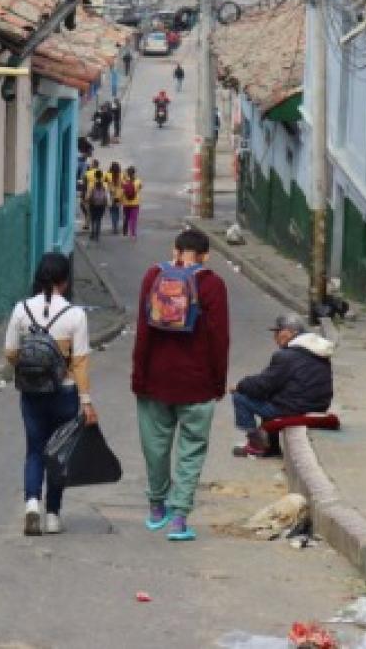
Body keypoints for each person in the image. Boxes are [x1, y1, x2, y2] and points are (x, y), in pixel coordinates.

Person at [131, 229, 230, 542]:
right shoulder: (212, 285)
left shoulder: (153, 277)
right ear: (205, 255)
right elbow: (219, 340)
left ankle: (156, 507)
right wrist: (218, 382)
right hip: (197, 383)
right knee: (192, 450)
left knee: (155, 446)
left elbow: (143, 333)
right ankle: (179, 518)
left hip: (156, 381)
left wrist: (139, 376)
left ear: (175, 249)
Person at [5, 252, 95, 536]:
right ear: (65, 281)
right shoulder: (75, 315)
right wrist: (87, 401)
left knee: (34, 450)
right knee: (59, 453)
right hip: (64, 393)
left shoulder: (21, 310)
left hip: (32, 393)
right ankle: (53, 515)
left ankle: (32, 503)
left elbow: (10, 352)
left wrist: (31, 366)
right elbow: (80, 363)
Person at [231, 314, 334, 457]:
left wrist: (240, 385)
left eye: (277, 332)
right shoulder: (316, 350)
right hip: (319, 404)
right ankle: (270, 445)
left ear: (289, 332)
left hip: (295, 408)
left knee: (241, 397)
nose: (275, 337)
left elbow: (263, 385)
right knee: (273, 396)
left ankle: (256, 444)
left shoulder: (286, 356)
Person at [87, 169, 109, 241]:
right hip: (101, 204)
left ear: (95, 175)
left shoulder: (91, 184)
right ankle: (97, 234)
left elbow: (88, 195)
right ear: (102, 176)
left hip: (93, 204)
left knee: (93, 219)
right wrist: (106, 203)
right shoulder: (105, 184)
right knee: (98, 219)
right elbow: (106, 195)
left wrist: (87, 201)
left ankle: (92, 232)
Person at [120, 166, 142, 238]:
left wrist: (120, 200)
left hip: (126, 203)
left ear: (127, 173)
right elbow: (140, 188)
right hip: (135, 203)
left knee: (126, 218)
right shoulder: (138, 181)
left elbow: (122, 191)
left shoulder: (124, 181)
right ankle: (133, 233)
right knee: (133, 219)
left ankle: (125, 232)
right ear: (134, 173)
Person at [107, 161, 124, 234]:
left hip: (111, 196)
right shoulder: (122, 175)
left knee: (112, 212)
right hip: (119, 196)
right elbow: (124, 184)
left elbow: (105, 183)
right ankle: (116, 226)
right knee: (117, 211)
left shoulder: (108, 175)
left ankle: (114, 226)